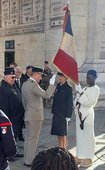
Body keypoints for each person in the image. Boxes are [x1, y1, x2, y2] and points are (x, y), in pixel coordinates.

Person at [22, 66, 56, 167]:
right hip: (35, 116)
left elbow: (23, 101)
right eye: (40, 76)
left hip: (28, 114)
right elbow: (46, 95)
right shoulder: (33, 85)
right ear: (36, 74)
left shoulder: (25, 84)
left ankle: (26, 159)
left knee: (29, 138)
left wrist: (28, 110)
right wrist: (52, 84)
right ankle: (30, 161)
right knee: (33, 139)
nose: (41, 78)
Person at [74, 69, 100, 167]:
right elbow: (77, 100)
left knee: (88, 138)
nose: (87, 80)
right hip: (79, 117)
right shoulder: (85, 88)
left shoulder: (96, 89)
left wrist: (80, 93)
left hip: (87, 118)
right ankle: (80, 156)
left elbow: (89, 102)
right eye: (87, 78)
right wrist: (78, 93)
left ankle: (89, 158)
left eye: (89, 78)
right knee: (80, 138)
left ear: (95, 78)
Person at [0, 67, 24, 157]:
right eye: (12, 77)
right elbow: (3, 107)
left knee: (15, 137)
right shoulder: (3, 88)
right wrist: (6, 121)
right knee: (8, 138)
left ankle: (15, 151)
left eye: (14, 77)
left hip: (17, 119)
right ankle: (8, 154)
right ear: (5, 77)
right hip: (10, 119)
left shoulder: (12, 86)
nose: (14, 79)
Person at [51, 72, 73, 149]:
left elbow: (70, 103)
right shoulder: (58, 86)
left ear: (66, 77)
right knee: (58, 132)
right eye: (59, 76)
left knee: (63, 133)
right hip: (56, 112)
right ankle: (60, 146)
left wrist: (68, 115)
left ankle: (64, 148)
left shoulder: (68, 88)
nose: (60, 78)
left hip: (63, 114)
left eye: (62, 76)